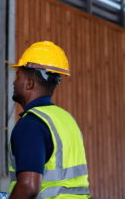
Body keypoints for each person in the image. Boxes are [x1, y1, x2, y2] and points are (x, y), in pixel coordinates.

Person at [9, 41, 90, 198]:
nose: (14, 82)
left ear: (29, 84)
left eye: (17, 76)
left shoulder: (31, 124)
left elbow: (28, 186)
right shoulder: (67, 120)